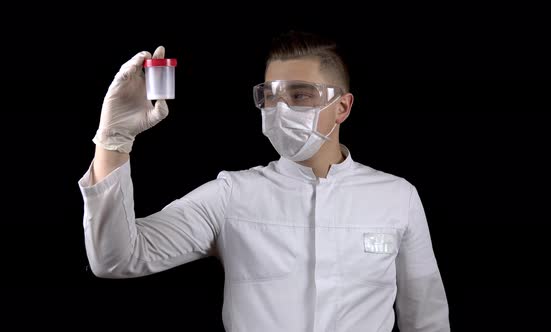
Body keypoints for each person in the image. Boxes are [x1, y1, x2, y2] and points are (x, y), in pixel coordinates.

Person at [78, 31, 450, 332]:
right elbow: (116, 258)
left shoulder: (396, 197)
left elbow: (427, 320)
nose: (281, 108)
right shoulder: (231, 195)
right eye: (270, 96)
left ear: (343, 107)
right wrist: (113, 138)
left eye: (300, 94)